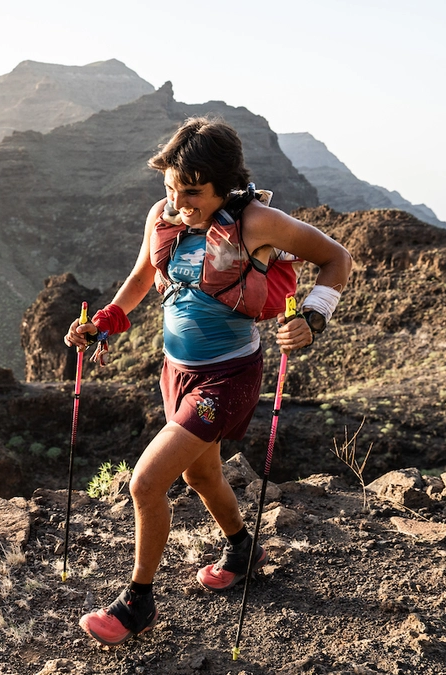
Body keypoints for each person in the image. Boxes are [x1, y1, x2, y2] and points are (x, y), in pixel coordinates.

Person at [65, 117, 352, 645]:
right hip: (175, 373)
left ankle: (137, 604)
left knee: (147, 483)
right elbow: (142, 277)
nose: (179, 202)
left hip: (229, 377)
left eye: (192, 192)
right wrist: (103, 323)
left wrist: (312, 318)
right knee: (200, 478)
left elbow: (337, 257)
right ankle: (244, 549)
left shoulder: (258, 223)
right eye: (171, 189)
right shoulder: (164, 215)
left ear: (226, 185)